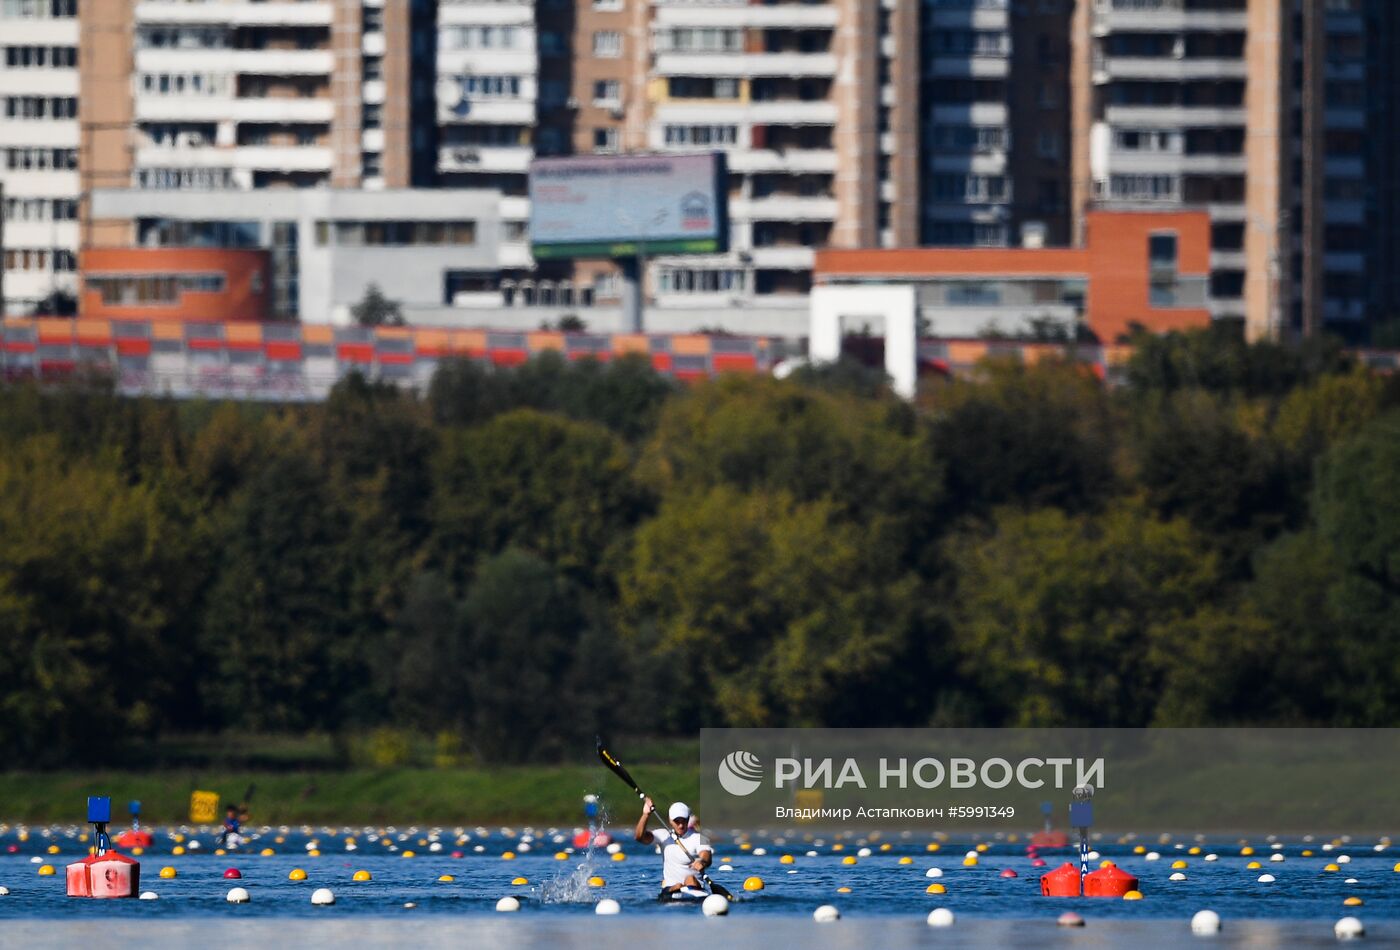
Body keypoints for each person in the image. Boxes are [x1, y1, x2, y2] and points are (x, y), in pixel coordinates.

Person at [634, 797, 712, 895]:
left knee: (690, 879)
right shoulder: (663, 835)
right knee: (677, 885)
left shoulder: (700, 837)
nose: (680, 825)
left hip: (695, 888)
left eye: (683, 821)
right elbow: (639, 837)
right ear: (670, 821)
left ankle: (683, 888)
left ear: (688, 819)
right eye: (677, 821)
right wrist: (645, 815)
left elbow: (706, 856)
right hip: (671, 888)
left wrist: (702, 861)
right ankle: (678, 888)